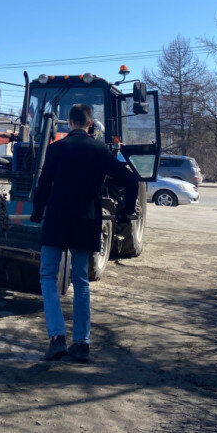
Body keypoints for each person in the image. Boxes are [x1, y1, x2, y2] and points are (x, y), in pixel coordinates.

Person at [30, 104, 138, 362]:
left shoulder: (56, 149)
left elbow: (43, 184)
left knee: (47, 276)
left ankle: (56, 339)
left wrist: (37, 212)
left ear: (68, 122)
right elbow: (131, 181)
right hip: (86, 221)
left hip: (57, 220)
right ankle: (82, 344)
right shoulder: (101, 150)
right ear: (91, 124)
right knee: (80, 281)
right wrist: (124, 211)